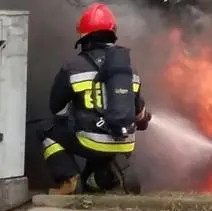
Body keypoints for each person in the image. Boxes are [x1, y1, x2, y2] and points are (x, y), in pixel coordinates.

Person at [40, 3, 152, 195]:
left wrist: (78, 114)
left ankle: (68, 179)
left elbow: (57, 109)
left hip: (92, 142)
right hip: (124, 141)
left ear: (84, 36)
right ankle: (102, 179)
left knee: (46, 129)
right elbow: (140, 117)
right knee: (92, 180)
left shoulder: (73, 67)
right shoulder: (128, 70)